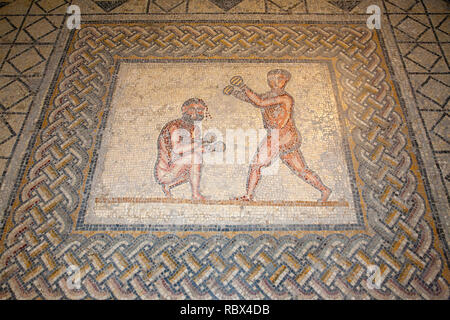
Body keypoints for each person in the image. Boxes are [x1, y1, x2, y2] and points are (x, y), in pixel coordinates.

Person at [224, 69, 332, 202]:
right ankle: (324, 189)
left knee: (264, 166)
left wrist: (242, 86)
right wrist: (235, 92)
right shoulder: (269, 96)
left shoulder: (286, 98)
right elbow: (252, 99)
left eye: (279, 78)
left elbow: (259, 102)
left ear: (285, 81)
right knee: (292, 168)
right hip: (277, 137)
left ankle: (248, 195)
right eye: (272, 78)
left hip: (283, 137)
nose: (274, 81)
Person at [154, 98, 225, 200]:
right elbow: (177, 149)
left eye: (200, 109)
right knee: (195, 158)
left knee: (197, 162)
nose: (196, 112)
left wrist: (211, 148)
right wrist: (202, 141)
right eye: (192, 109)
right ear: (184, 109)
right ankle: (195, 195)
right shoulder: (175, 126)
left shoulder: (194, 129)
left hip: (177, 169)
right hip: (165, 172)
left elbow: (194, 149)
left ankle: (169, 186)